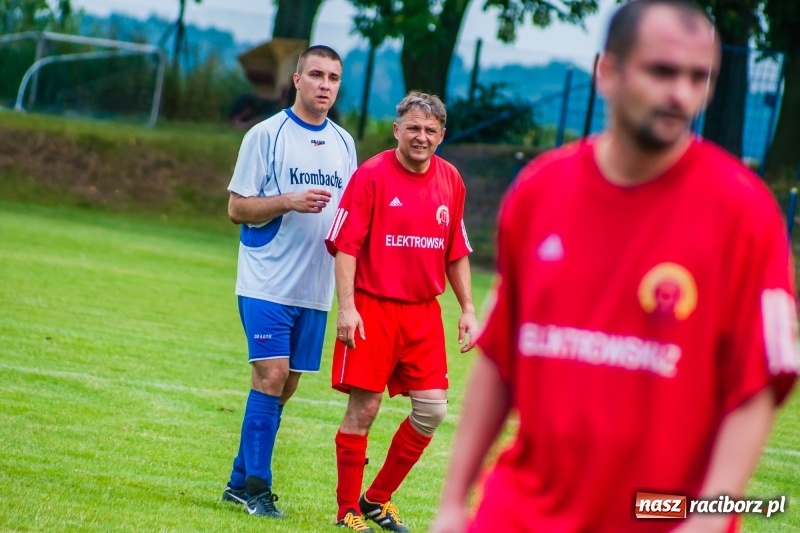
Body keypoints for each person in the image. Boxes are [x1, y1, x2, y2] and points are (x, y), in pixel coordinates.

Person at [432, 1, 799, 532]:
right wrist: (450, 503)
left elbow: (756, 387)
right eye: (662, 71)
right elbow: (499, 355)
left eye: (700, 77)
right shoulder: (539, 191)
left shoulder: (746, 214)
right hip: (518, 514)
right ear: (608, 70)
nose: (681, 94)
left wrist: (708, 519)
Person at [325, 91, 479, 532]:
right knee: (365, 408)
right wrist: (348, 308)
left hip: (423, 314)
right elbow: (345, 247)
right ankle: (346, 511)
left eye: (430, 131)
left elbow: (456, 251)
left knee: (432, 411)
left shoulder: (451, 180)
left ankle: (376, 499)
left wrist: (467, 308)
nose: (421, 137)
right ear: (397, 129)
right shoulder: (371, 175)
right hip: (373, 307)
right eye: (413, 128)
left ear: (442, 135)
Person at [222, 44, 357, 518]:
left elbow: (351, 221)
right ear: (296, 80)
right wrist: (288, 200)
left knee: (287, 384)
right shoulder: (266, 135)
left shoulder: (345, 143)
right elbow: (237, 207)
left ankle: (239, 481)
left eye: (333, 78)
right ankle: (258, 488)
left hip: (315, 287)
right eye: (316, 75)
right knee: (271, 374)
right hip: (266, 281)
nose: (325, 84)